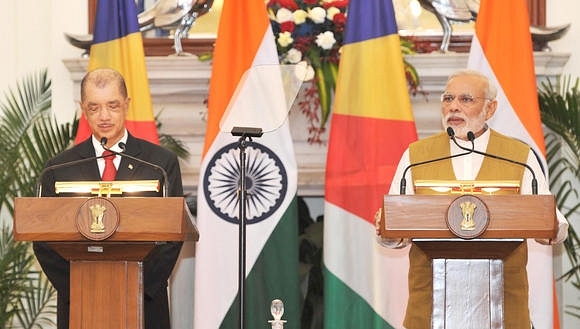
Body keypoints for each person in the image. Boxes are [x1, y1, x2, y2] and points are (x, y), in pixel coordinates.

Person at [375, 69, 568, 329]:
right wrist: (386, 230)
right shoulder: (417, 156)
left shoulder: (519, 156)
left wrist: (554, 228)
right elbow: (394, 228)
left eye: (466, 99)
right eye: (448, 99)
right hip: (430, 308)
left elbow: (551, 222)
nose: (453, 106)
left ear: (490, 109)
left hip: (504, 307)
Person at [32, 68, 184, 329]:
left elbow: (173, 235)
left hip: (145, 304)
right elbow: (44, 241)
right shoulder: (58, 169)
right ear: (83, 108)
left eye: (112, 106)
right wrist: (81, 287)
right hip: (79, 305)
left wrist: (134, 287)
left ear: (126, 105)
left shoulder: (159, 164)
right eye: (94, 108)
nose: (104, 116)